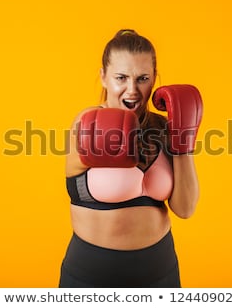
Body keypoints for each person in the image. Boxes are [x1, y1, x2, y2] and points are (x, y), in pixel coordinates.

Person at [59, 29, 203, 287]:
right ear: (103, 77)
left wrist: (182, 142)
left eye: (143, 78)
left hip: (161, 272)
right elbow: (96, 142)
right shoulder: (87, 123)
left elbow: (185, 208)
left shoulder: (164, 128)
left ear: (154, 79)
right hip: (92, 277)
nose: (132, 89)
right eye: (121, 77)